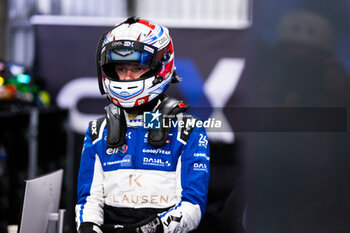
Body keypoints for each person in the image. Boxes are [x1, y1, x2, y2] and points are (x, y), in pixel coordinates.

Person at [75, 17, 210, 233]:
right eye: (120, 68)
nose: (126, 77)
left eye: (136, 68)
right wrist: (89, 226)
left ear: (161, 66)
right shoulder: (97, 131)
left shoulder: (187, 129)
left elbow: (192, 206)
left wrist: (147, 229)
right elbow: (89, 200)